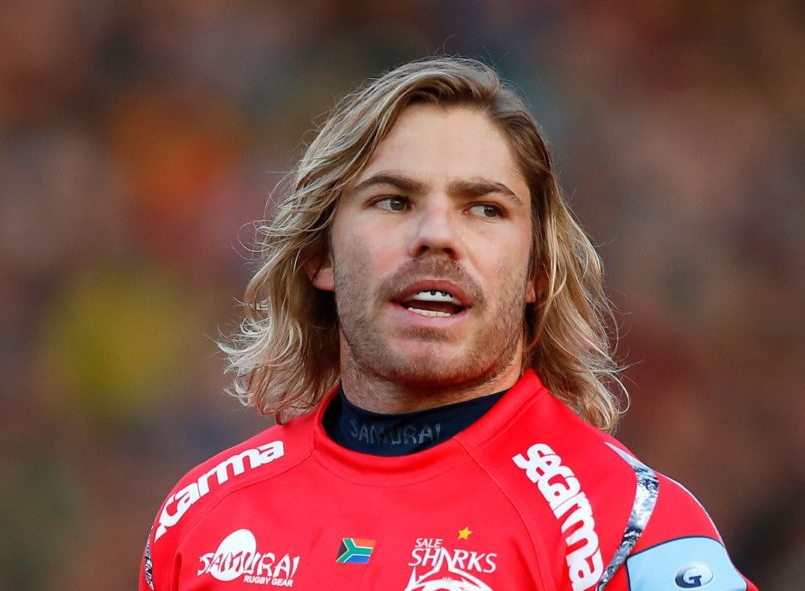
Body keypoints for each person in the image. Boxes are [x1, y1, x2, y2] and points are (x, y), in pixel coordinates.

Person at [140, 56, 758, 591]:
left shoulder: (625, 530)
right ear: (320, 255)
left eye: (484, 209)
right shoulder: (206, 517)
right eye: (393, 201)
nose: (437, 234)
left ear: (537, 272)